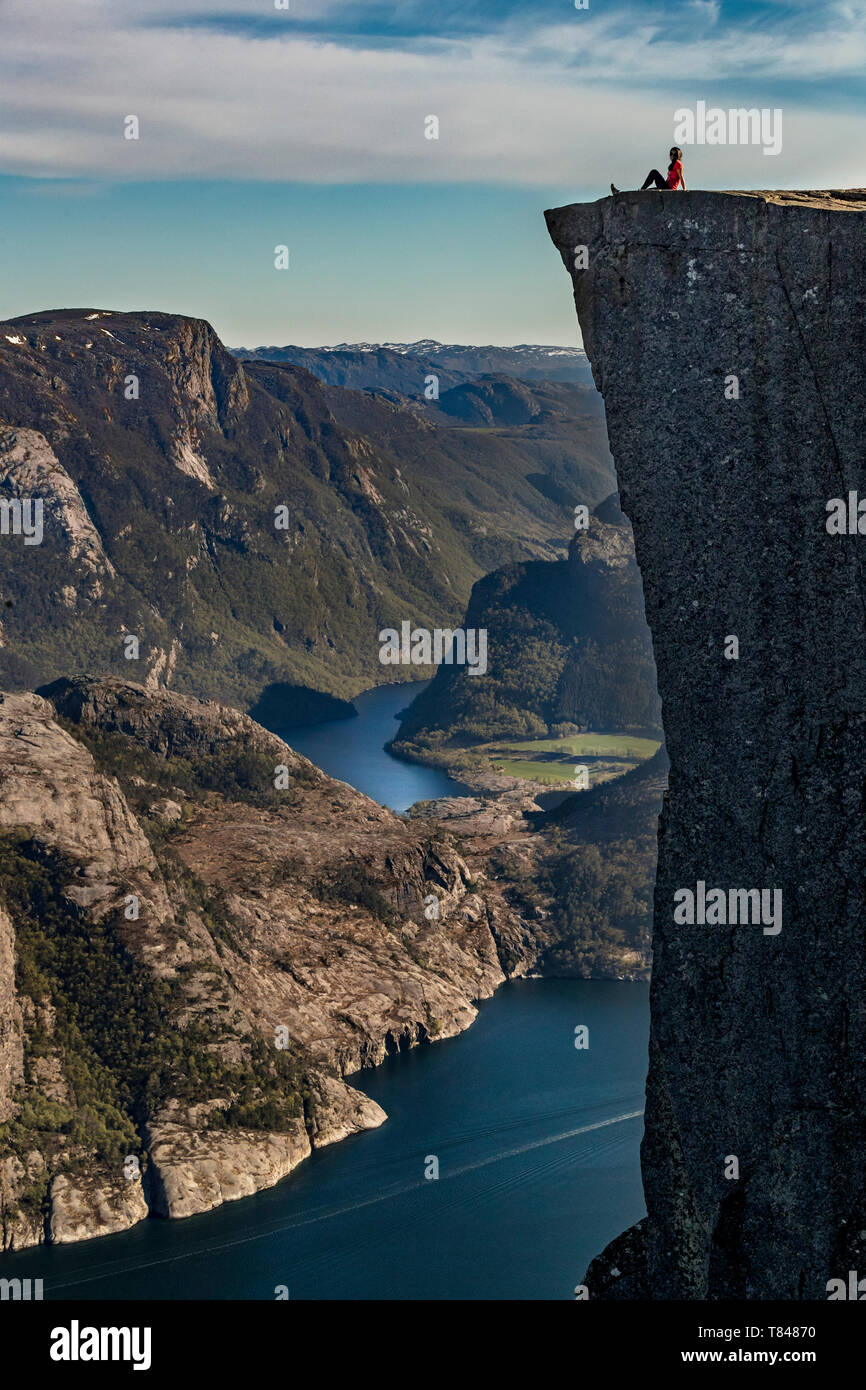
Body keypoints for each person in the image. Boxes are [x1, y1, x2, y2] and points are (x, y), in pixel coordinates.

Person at [610, 148, 686, 196]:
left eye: (674, 154)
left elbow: (681, 177)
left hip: (669, 188)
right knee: (647, 192)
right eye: (670, 153)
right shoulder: (672, 165)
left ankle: (642, 189)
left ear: (677, 155)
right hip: (665, 187)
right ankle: (618, 194)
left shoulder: (678, 163)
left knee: (654, 172)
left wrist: (684, 190)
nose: (671, 155)